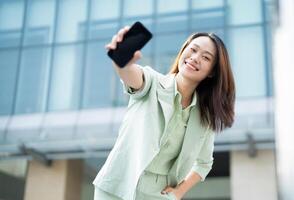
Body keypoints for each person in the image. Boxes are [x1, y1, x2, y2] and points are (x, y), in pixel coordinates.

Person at [93, 25, 235, 200]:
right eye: (193, 50)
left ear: (212, 72)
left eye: (206, 57)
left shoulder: (205, 118)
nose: (195, 58)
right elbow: (131, 74)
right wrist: (122, 62)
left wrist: (178, 193)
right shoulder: (152, 82)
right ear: (183, 51)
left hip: (158, 195)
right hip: (116, 187)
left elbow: (204, 164)